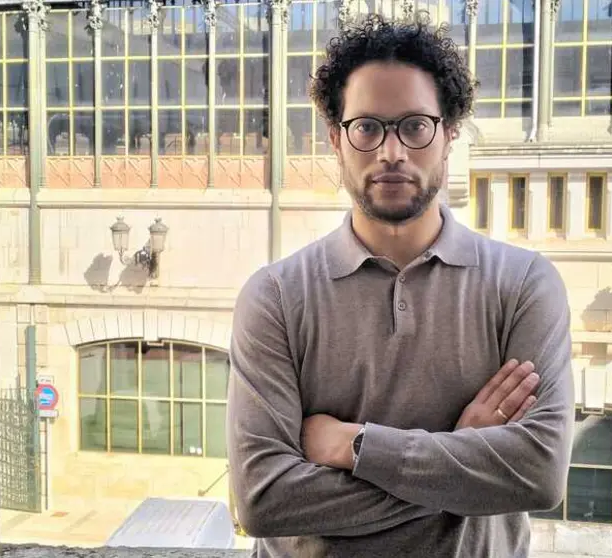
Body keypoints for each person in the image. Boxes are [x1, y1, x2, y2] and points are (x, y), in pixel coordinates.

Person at [227, 12, 575, 558]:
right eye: (367, 128)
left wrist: (354, 445)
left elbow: (539, 473)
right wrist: (463, 457)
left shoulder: (524, 286)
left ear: (449, 133)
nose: (392, 152)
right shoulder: (275, 297)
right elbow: (263, 501)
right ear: (336, 139)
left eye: (415, 126)